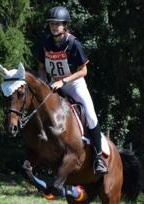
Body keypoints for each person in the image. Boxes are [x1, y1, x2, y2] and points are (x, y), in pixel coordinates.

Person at [34, 6, 108, 175]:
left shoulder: (74, 44)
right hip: (53, 84)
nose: (54, 26)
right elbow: (41, 68)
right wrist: (43, 82)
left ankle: (98, 158)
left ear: (65, 25)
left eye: (57, 24)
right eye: (52, 23)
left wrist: (64, 81)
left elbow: (83, 71)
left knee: (90, 114)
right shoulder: (45, 43)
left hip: (74, 84)